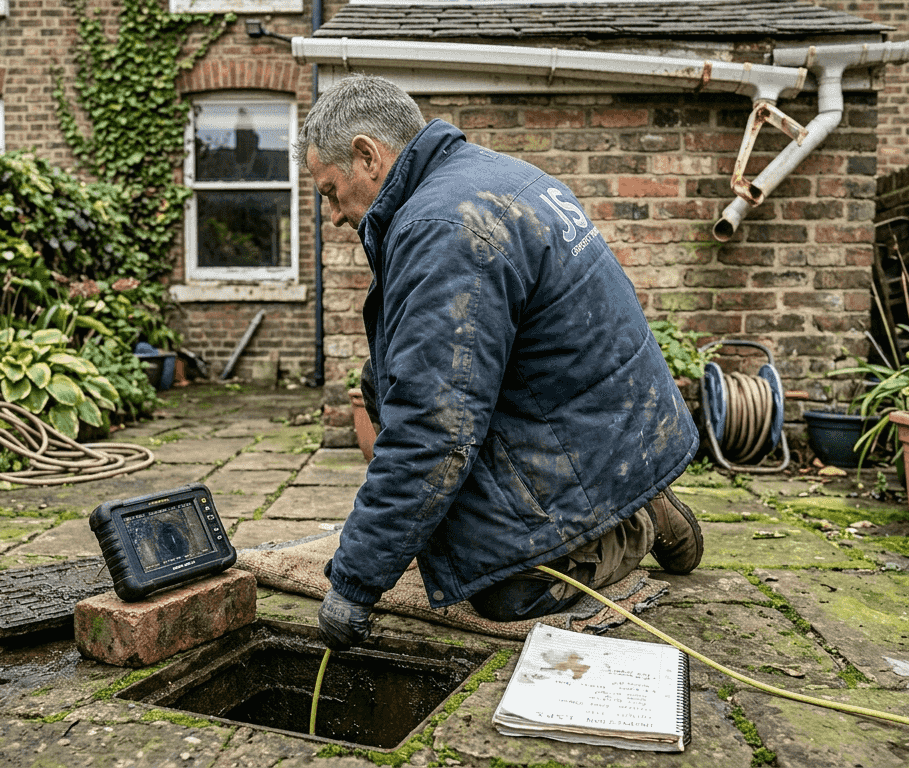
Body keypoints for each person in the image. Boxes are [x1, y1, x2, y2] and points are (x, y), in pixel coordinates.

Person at [295, 75, 702, 651]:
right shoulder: (486, 175)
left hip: (589, 435)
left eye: (332, 192)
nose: (334, 215)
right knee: (384, 387)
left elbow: (433, 427)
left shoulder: (441, 229)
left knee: (505, 589)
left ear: (368, 155)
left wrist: (356, 582)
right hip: (607, 416)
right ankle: (621, 496)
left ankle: (634, 522)